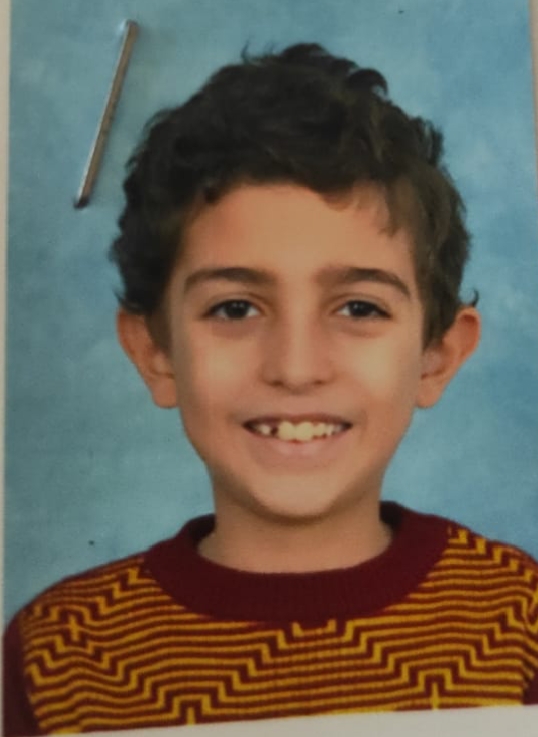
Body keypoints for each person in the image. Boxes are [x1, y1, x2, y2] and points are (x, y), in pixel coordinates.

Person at [3, 43, 538, 735]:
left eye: (359, 308)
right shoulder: (58, 656)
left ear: (436, 356)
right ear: (156, 352)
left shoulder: (519, 621)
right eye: (235, 308)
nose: (296, 366)